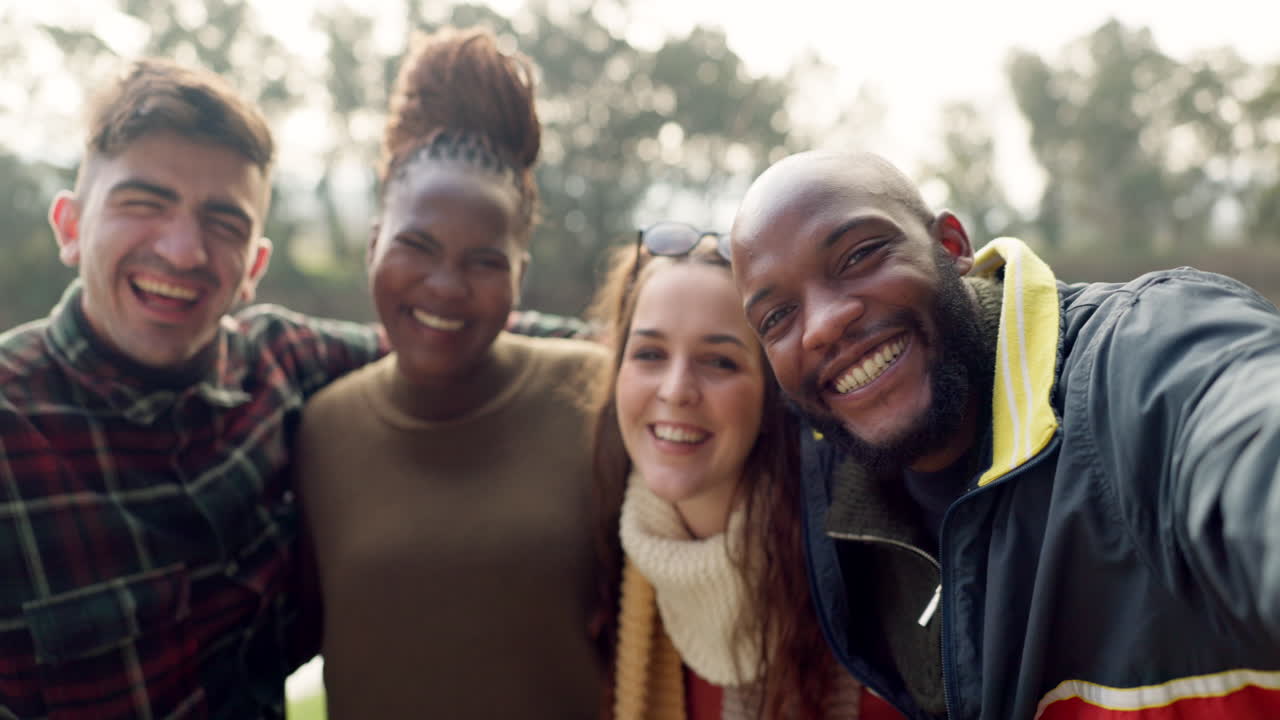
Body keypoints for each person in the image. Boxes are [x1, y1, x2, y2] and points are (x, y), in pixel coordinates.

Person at [0, 56, 581, 720]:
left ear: (255, 266)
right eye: (144, 204)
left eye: (224, 222)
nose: (184, 250)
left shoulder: (284, 366)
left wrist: (664, 347)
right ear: (71, 227)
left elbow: (450, 332)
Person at [727, 149, 1280, 719]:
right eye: (776, 317)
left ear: (952, 248)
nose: (822, 324)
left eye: (860, 255)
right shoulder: (828, 498)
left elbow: (1244, 427)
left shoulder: (1143, 353)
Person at [292, 27, 608, 719]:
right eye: (417, 246)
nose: (445, 286)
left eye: (485, 262)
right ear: (374, 243)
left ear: (520, 275)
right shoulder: (321, 428)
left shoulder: (594, 397)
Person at [590, 222, 903, 719]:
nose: (675, 390)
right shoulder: (597, 562)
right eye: (649, 354)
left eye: (719, 362)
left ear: (773, 394)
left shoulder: (865, 574)